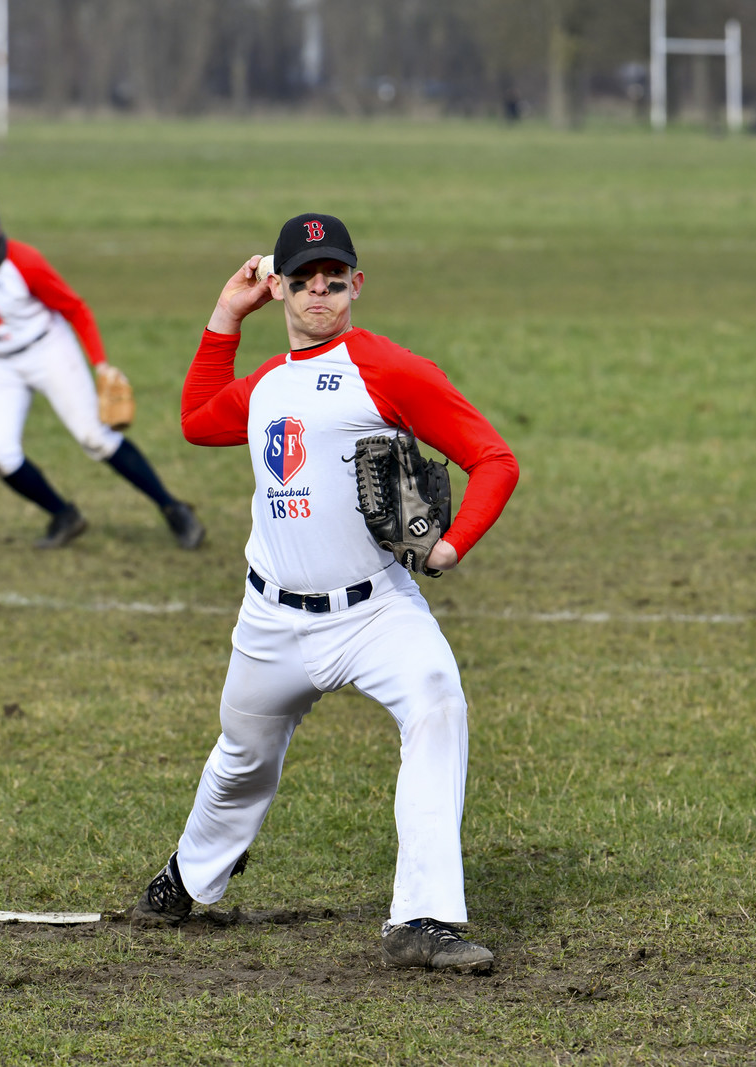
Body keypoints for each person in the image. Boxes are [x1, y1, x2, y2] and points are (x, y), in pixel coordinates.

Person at [131, 213, 519, 973]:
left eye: (333, 279)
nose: (319, 292)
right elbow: (195, 422)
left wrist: (450, 545)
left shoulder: (391, 369)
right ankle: (189, 874)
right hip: (271, 618)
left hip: (377, 609)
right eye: (302, 278)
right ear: (277, 284)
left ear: (356, 285)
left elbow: (493, 458)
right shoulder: (267, 385)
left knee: (438, 700)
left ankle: (424, 919)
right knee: (241, 761)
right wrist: (223, 318)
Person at [0, 197, 205, 550]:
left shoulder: (23, 262)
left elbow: (75, 308)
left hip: (48, 348)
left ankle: (174, 509)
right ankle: (64, 516)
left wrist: (100, 363)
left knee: (96, 438)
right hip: (0, 362)